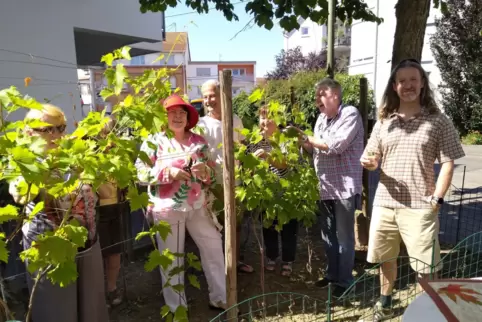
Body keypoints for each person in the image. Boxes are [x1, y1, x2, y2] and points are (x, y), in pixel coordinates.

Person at [360, 59, 465, 321]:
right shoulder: (384, 122)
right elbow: (372, 158)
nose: (407, 85)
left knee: (425, 266)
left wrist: (437, 200)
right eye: (402, 81)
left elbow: (449, 162)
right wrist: (370, 162)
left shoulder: (438, 121)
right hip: (384, 203)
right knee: (386, 258)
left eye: (413, 80)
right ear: (394, 87)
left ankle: (427, 312)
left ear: (422, 84)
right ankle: (384, 303)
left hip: (420, 206)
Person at [9, 104, 108, 322]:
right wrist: (41, 172)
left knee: (92, 309)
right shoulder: (25, 164)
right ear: (28, 133)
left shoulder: (72, 160)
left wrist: (90, 167)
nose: (56, 135)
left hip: (88, 244)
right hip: (50, 252)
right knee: (56, 312)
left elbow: (106, 191)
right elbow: (18, 193)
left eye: (61, 128)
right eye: (48, 129)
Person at [135, 94, 226, 313]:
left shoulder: (198, 142)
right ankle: (177, 310)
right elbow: (140, 173)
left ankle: (220, 299)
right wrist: (168, 172)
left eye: (182, 112)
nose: (177, 116)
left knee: (213, 248)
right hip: (167, 209)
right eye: (172, 112)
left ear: (188, 117)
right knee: (172, 259)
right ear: (164, 116)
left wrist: (205, 172)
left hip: (198, 205)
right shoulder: (154, 142)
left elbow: (212, 175)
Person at [298, 78, 364, 297]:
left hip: (344, 186)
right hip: (324, 185)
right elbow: (315, 150)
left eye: (320, 95)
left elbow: (336, 145)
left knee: (344, 237)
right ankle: (332, 275)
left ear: (334, 95)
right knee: (328, 235)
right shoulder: (320, 119)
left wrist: (310, 139)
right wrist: (304, 144)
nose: (317, 100)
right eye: (316, 96)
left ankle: (345, 282)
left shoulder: (350, 114)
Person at [197, 79, 254, 274]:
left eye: (211, 95)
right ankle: (217, 265)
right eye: (205, 97)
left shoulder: (235, 119)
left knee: (235, 223)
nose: (208, 100)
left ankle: (234, 261)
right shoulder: (201, 124)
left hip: (235, 181)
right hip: (211, 183)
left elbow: (242, 147)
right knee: (213, 224)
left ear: (222, 95)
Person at [245, 105, 298, 277]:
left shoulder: (286, 139)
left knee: (288, 228)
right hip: (265, 193)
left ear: (279, 120)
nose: (265, 120)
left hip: (287, 192)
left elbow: (286, 164)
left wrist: (268, 157)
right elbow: (248, 167)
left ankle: (288, 260)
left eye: (270, 116)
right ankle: (272, 256)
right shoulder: (254, 141)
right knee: (268, 227)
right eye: (262, 117)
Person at [97, 117, 124, 307]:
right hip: (98, 212)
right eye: (105, 133)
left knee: (115, 255)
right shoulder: (92, 158)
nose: (109, 137)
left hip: (116, 209)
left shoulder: (119, 156)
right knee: (98, 257)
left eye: (113, 132)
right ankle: (97, 294)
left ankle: (111, 289)